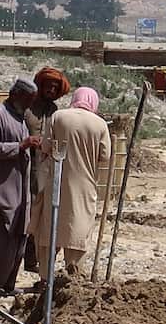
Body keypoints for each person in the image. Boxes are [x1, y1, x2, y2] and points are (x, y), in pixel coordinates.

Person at [29, 87, 111, 281]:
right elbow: (105, 156)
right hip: (85, 187)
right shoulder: (100, 124)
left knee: (50, 231)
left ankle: (45, 280)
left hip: (57, 183)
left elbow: (47, 147)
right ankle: (74, 278)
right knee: (77, 232)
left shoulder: (58, 117)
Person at [0, 78, 39, 299]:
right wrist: (20, 146)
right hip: (1, 190)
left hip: (21, 191)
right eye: (28, 99)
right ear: (17, 95)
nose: (30, 104)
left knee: (18, 240)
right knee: (1, 242)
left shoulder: (19, 117)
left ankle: (9, 285)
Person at [25, 67, 72, 273]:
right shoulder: (27, 109)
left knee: (40, 211)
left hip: (44, 168)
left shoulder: (55, 112)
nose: (51, 90)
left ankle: (33, 259)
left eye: (55, 87)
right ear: (41, 86)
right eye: (48, 86)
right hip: (24, 164)